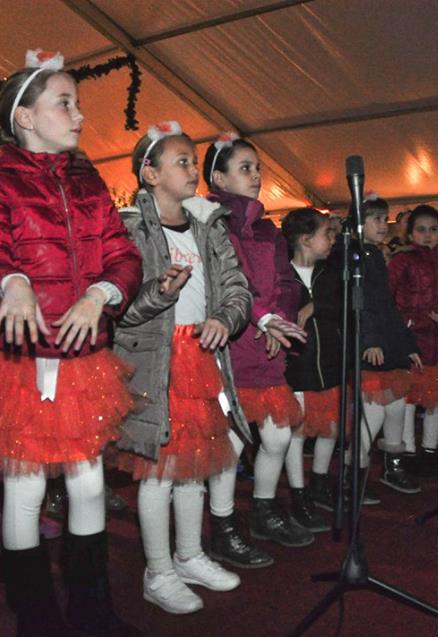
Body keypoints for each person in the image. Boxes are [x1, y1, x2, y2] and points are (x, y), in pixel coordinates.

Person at [0, 50, 142, 633]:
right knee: (25, 485)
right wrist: (12, 284)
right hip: (23, 358)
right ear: (25, 117)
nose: (80, 116)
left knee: (88, 480)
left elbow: (123, 254)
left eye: (77, 104)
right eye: (65, 103)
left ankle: (93, 611)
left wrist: (101, 294)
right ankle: (35, 617)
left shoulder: (89, 182)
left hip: (82, 357)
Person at [113, 122, 251, 614]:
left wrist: (224, 318)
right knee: (159, 471)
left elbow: (237, 288)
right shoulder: (129, 229)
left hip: (200, 358)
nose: (194, 170)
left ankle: (189, 555)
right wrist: (159, 294)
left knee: (196, 465)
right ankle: (158, 571)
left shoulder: (208, 225)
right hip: (156, 361)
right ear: (150, 174)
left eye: (195, 161)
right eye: (182, 162)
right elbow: (120, 308)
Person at [204, 134, 312, 551]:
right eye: (244, 168)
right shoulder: (211, 223)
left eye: (257, 168)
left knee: (278, 438)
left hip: (269, 345)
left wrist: (279, 320)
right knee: (230, 442)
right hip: (231, 345)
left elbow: (286, 283)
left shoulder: (268, 230)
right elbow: (231, 283)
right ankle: (223, 525)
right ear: (219, 178)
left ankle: (264, 512)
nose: (255, 176)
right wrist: (264, 320)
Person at [388, 205, 438, 482]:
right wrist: (407, 323)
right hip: (411, 342)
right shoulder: (402, 261)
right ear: (410, 234)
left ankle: (430, 451)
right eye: (421, 230)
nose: (428, 235)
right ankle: (408, 452)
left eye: (433, 229)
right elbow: (388, 297)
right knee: (409, 399)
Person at [353, 197, 423, 498]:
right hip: (371, 345)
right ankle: (354, 476)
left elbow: (388, 306)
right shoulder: (356, 256)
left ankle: (393, 467)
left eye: (385, 219)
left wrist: (407, 344)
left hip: (389, 342)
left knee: (396, 408)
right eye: (376, 219)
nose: (383, 225)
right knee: (373, 415)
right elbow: (360, 303)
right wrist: (370, 340)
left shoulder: (376, 256)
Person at [280, 207, 339, 528]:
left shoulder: (331, 273)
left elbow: (347, 306)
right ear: (305, 239)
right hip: (297, 367)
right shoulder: (282, 275)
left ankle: (319, 481)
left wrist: (318, 306)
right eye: (326, 233)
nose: (333, 239)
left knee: (330, 425)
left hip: (329, 363)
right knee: (297, 433)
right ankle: (298, 492)